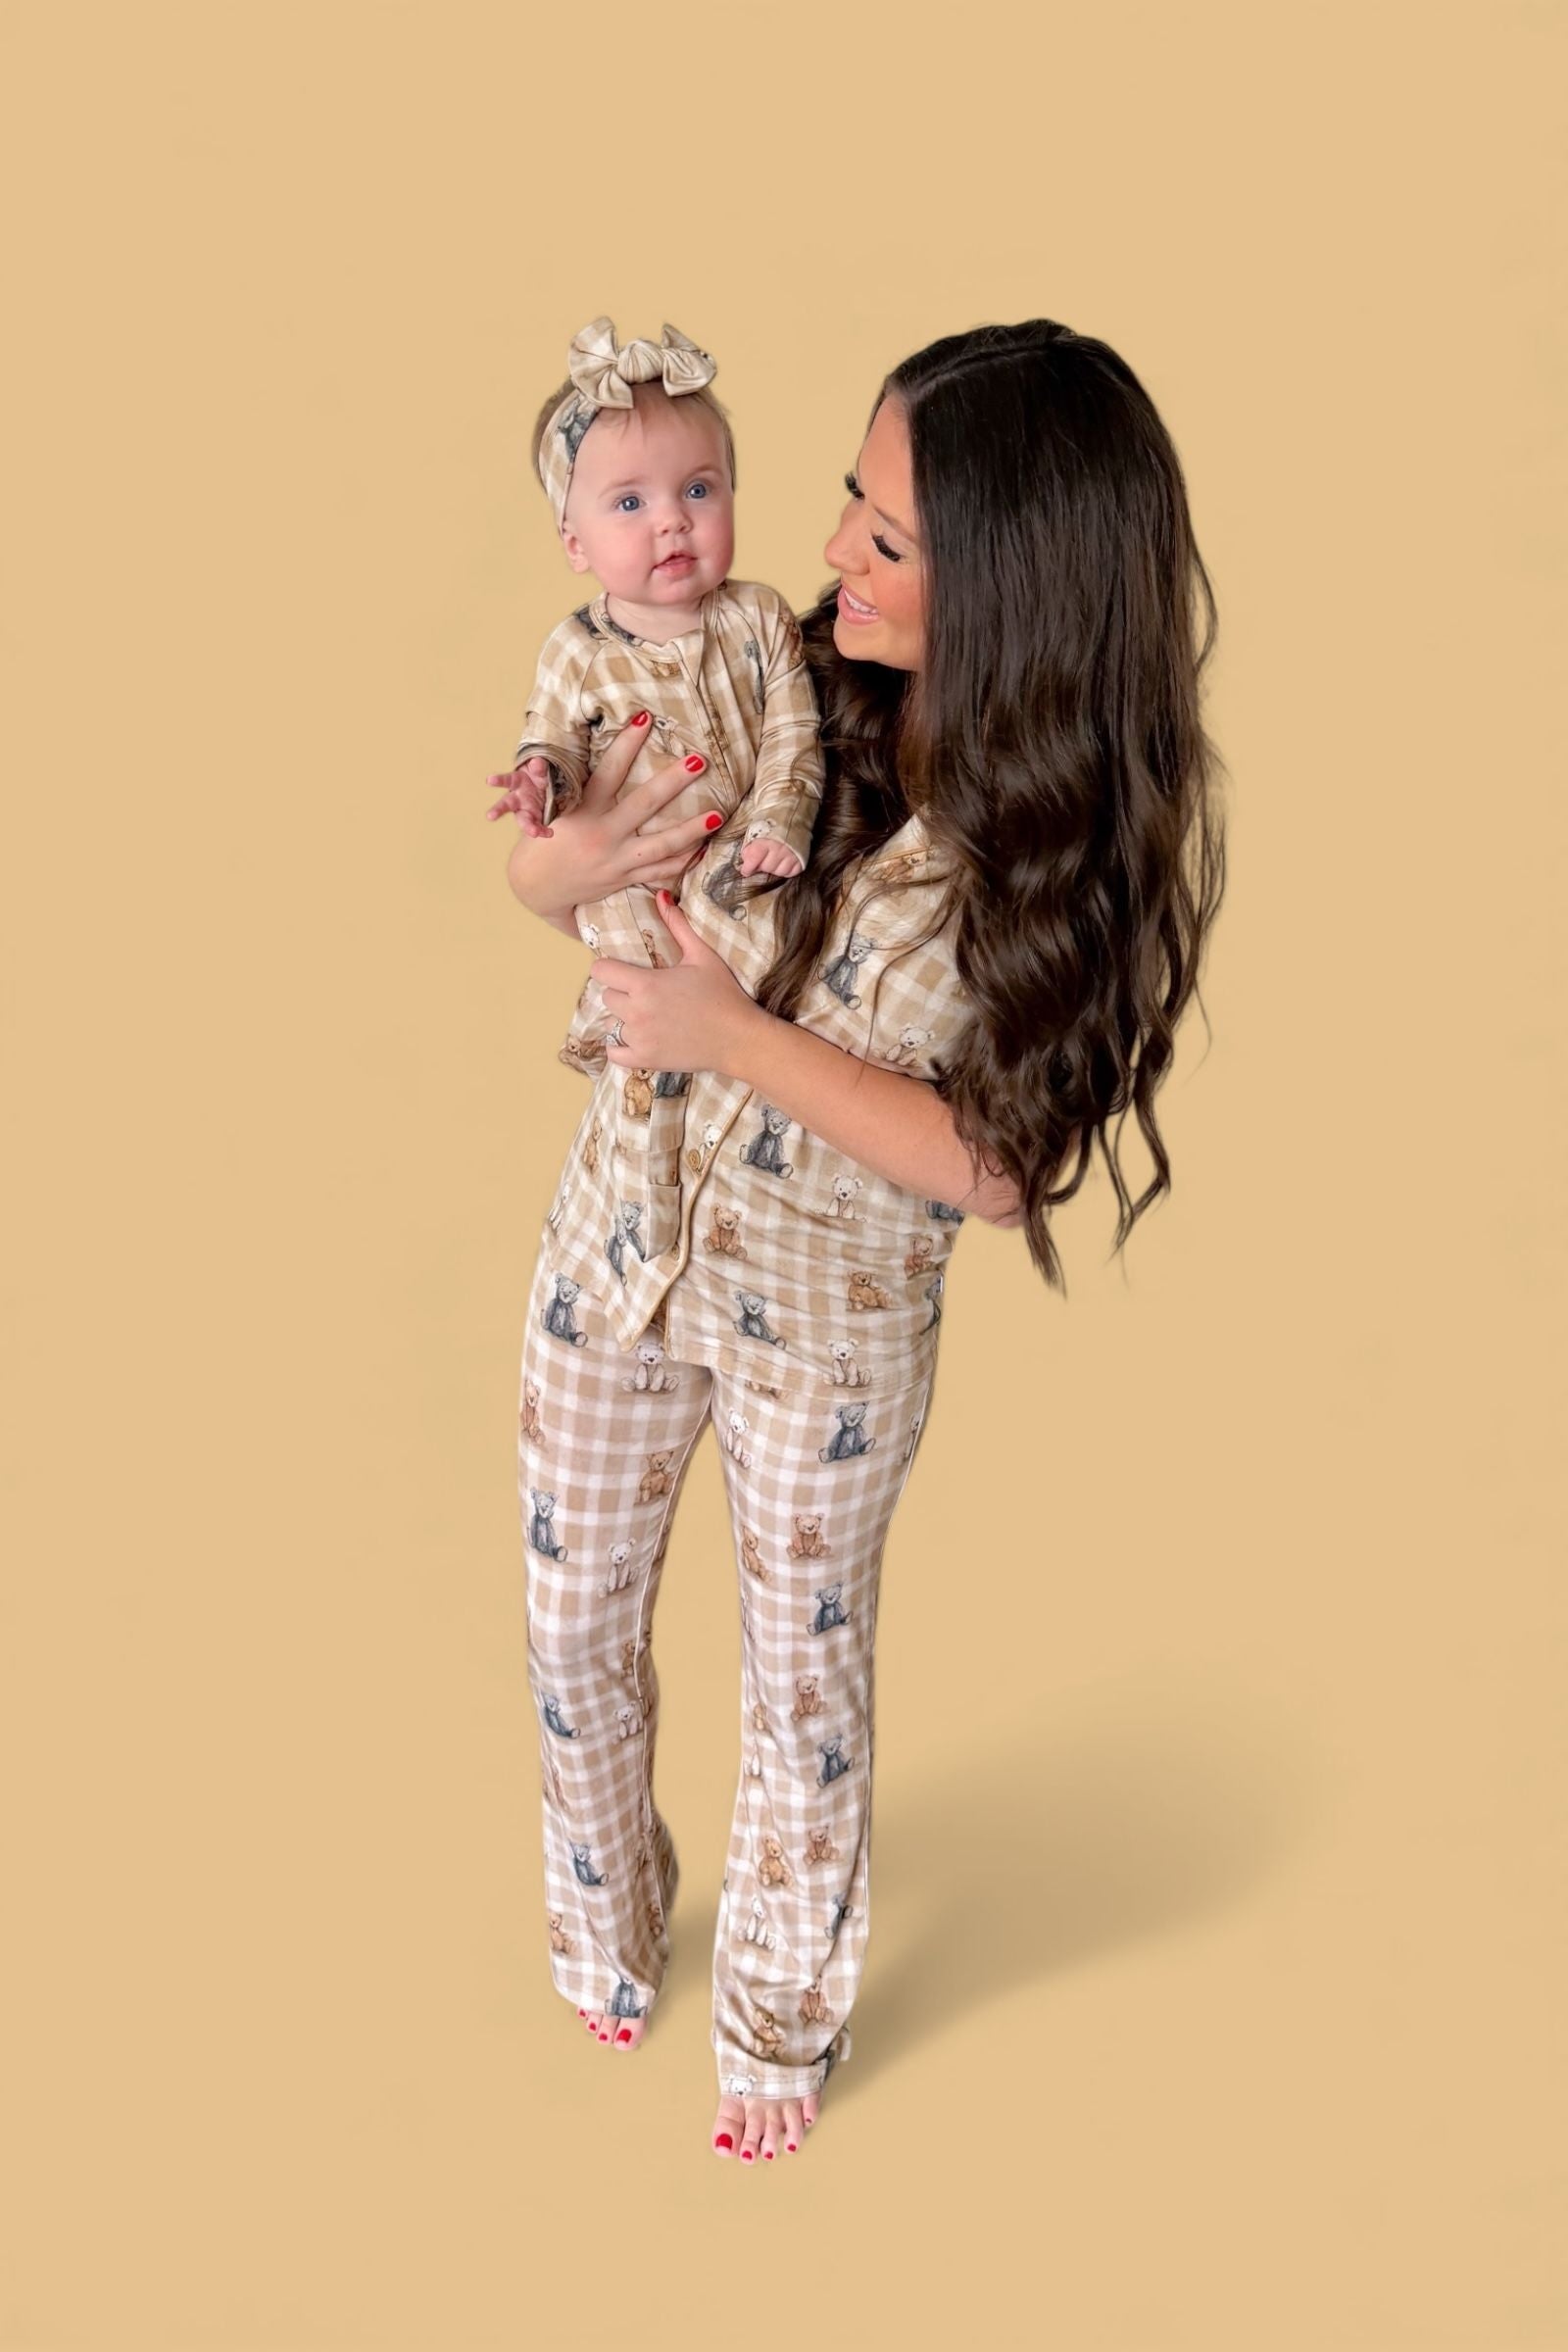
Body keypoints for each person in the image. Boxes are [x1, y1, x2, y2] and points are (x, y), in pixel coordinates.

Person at [489, 318, 1227, 2170]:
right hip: (625, 1237)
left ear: (1014, 588)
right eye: (844, 501)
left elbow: (999, 1168)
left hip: (828, 1333)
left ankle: (774, 2020)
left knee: (799, 1688)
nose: (828, 553)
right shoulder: (773, 667)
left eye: (885, 537)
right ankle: (605, 1917)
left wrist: (734, 1038)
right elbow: (585, 863)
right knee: (571, 1625)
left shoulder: (1064, 837)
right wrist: (554, 867)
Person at [488, 315, 824, 1206]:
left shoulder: (759, 618)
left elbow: (795, 733)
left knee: (756, 1055)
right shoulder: (577, 649)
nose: (672, 520)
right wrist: (539, 784)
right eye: (630, 503)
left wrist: (780, 823)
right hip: (634, 899)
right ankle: (638, 1214)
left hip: (746, 873)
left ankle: (745, 1184)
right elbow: (553, 741)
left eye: (699, 490)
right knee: (645, 1082)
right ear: (575, 543)